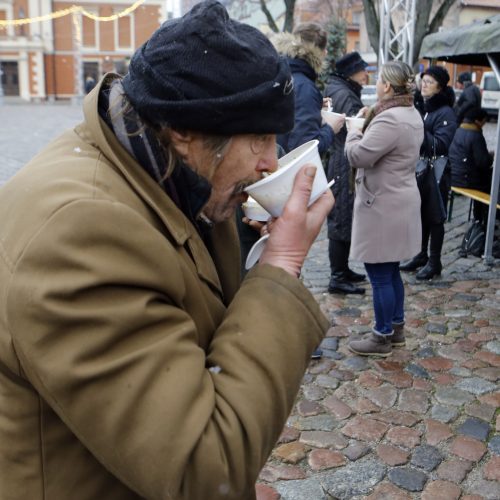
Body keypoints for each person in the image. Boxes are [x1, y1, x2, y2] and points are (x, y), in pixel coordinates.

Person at [0, 2, 334, 499]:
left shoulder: (176, 179)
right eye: (261, 138)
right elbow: (205, 466)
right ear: (184, 130)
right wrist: (280, 267)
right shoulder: (80, 232)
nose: (271, 162)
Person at [345, 61, 424, 357]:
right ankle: (396, 328)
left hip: (383, 205)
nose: (375, 84)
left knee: (379, 273)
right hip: (397, 200)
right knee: (390, 271)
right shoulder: (409, 112)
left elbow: (359, 155)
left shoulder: (390, 119)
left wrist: (353, 130)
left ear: (388, 86)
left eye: (379, 80)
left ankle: (382, 336)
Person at [400, 65, 457, 280]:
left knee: (435, 217)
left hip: (438, 172)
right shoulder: (424, 107)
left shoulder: (446, 112)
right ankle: (420, 255)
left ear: (440, 87)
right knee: (421, 213)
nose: (424, 85)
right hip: (422, 170)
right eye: (423, 80)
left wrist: (417, 127)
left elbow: (441, 145)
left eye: (429, 82)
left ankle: (435, 262)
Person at [323, 51, 369, 295]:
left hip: (340, 159)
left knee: (344, 215)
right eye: (363, 70)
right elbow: (355, 129)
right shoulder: (345, 94)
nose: (367, 75)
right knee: (341, 217)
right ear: (352, 72)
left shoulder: (338, 88)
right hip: (344, 162)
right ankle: (337, 277)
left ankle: (343, 269)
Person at [272, 23, 344, 155]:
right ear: (323, 52)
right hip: (287, 170)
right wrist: (330, 128)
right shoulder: (304, 87)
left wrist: (314, 107)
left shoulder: (279, 73)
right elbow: (304, 149)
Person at [449, 107, 494, 226]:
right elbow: (483, 163)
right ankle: (481, 218)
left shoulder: (459, 130)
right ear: (478, 121)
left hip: (453, 177)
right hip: (465, 180)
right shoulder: (476, 135)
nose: (484, 124)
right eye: (484, 121)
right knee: (490, 185)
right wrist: (490, 156)